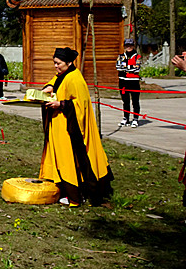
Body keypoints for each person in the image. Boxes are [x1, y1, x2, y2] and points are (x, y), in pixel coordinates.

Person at [39, 47, 113, 207]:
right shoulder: (62, 75)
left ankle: (77, 194)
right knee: (61, 158)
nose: (56, 66)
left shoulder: (75, 78)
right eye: (54, 63)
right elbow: (54, 82)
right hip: (59, 126)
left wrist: (61, 104)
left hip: (71, 129)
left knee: (72, 160)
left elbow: (81, 104)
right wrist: (48, 88)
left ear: (68, 63)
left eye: (58, 63)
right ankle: (63, 189)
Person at [116, 38, 141, 128]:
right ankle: (126, 118)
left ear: (133, 46)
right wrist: (129, 67)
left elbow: (136, 68)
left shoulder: (137, 57)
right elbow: (118, 67)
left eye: (130, 45)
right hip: (123, 81)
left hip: (134, 82)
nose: (128, 47)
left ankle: (135, 119)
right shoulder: (121, 56)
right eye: (127, 45)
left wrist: (126, 67)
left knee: (135, 101)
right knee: (125, 100)